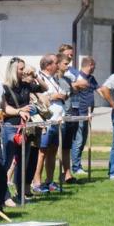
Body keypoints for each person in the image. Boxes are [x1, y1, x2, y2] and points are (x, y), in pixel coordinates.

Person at [0, 58, 44, 206]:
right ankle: (4, 196)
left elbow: (44, 88)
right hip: (10, 127)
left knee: (22, 161)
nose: (24, 71)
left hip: (25, 127)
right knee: (6, 162)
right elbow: (4, 109)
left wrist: (35, 75)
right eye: (21, 69)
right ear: (13, 70)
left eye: (24, 68)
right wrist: (19, 110)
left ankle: (20, 194)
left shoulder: (26, 85)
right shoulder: (4, 87)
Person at [31, 53, 68, 193]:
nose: (58, 65)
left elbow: (62, 93)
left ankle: (49, 181)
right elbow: (36, 97)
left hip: (57, 120)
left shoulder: (54, 78)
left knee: (53, 151)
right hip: (45, 121)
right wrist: (54, 96)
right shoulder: (38, 78)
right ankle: (36, 182)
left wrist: (62, 95)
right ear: (48, 65)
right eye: (56, 63)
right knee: (41, 152)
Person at [57, 45, 89, 183]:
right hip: (59, 116)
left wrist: (73, 85)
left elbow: (84, 84)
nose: (69, 62)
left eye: (71, 56)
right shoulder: (54, 78)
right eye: (66, 60)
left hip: (71, 113)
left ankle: (67, 174)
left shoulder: (69, 77)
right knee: (53, 148)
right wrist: (75, 85)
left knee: (66, 146)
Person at [71, 57, 99, 174]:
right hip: (80, 113)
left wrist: (112, 103)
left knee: (83, 141)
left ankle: (78, 165)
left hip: (88, 114)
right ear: (90, 65)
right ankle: (76, 167)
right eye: (94, 66)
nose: (95, 68)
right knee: (78, 140)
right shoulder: (78, 77)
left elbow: (100, 90)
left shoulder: (91, 79)